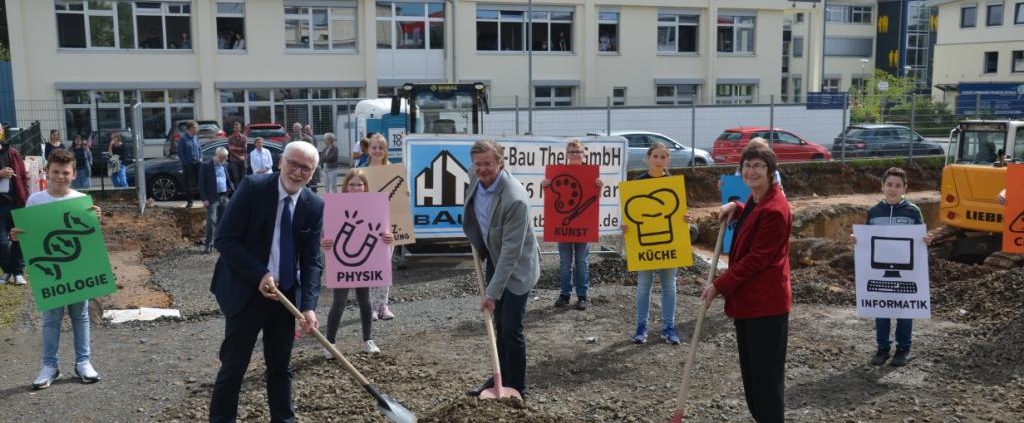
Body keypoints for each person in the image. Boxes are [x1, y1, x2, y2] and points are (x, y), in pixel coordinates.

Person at [208, 141, 324, 423]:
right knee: (234, 367)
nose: (297, 172)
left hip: (284, 296)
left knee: (280, 366)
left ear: (313, 173)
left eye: (305, 168)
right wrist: (259, 273)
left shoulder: (313, 205)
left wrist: (309, 306)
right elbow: (225, 239)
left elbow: (311, 261)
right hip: (247, 291)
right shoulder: (253, 187)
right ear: (281, 161)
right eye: (293, 164)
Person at [700, 142, 792, 423]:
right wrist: (737, 207)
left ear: (770, 170)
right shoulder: (757, 199)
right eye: (747, 166)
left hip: (766, 306)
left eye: (758, 166)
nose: (751, 172)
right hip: (750, 304)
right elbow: (753, 214)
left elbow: (756, 260)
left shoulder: (775, 209)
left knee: (765, 381)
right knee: (753, 379)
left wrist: (719, 286)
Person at [10, 149, 103, 389]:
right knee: (51, 318)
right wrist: (17, 235)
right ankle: (50, 366)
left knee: (80, 315)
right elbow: (28, 234)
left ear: (74, 174)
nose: (60, 176)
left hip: (77, 269)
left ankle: (83, 362)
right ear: (47, 172)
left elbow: (89, 237)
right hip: (51, 271)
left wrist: (96, 219)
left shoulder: (81, 200)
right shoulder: (35, 201)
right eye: (56, 172)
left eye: (65, 172)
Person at [462, 139, 540, 399]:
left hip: (518, 268)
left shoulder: (514, 199)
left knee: (511, 328)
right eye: (478, 164)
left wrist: (491, 293)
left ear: (500, 162)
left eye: (488, 164)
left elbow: (511, 254)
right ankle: (500, 375)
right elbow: (471, 196)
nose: (482, 169)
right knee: (498, 325)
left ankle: (518, 387)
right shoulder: (475, 175)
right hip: (496, 256)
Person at [853, 167, 930, 367]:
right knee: (881, 310)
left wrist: (925, 240)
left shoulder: (913, 211)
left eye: (897, 185)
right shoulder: (874, 212)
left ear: (905, 188)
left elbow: (920, 238)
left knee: (905, 311)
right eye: (889, 184)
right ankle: (883, 348)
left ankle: (903, 349)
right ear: (882, 186)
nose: (893, 189)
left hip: (906, 274)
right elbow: (868, 240)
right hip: (880, 274)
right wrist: (858, 240)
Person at [320, 169, 394, 356]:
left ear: (365, 187)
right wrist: (323, 241)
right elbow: (324, 231)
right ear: (345, 187)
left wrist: (388, 237)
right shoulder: (334, 205)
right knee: (339, 303)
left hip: (365, 262)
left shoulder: (374, 205)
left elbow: (385, 230)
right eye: (352, 184)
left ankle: (368, 340)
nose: (355, 188)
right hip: (341, 264)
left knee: (365, 301)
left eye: (359, 184)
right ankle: (330, 344)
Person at [624, 142, 683, 345]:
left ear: (668, 160)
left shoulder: (674, 185)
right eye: (655, 156)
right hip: (645, 246)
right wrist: (626, 225)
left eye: (663, 157)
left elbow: (680, 213)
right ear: (648, 158)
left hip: (669, 244)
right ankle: (641, 327)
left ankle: (669, 327)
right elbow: (629, 215)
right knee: (644, 285)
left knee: (669, 285)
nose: (659, 160)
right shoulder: (637, 184)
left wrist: (686, 218)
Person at [541, 139, 602, 310]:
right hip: (563, 227)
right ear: (566, 154)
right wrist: (545, 186)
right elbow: (551, 198)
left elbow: (594, 199)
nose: (575, 154)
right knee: (565, 262)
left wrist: (599, 188)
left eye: (578, 151)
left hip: (583, 227)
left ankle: (582, 296)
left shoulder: (592, 175)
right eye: (572, 151)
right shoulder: (557, 173)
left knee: (582, 261)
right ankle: (564, 294)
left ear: (584, 154)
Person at [359, 133, 397, 320]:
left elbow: (401, 199)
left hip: (389, 226)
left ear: (385, 150)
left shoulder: (394, 172)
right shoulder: (361, 172)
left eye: (381, 147)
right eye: (374, 147)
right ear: (368, 149)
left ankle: (383, 305)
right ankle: (370, 307)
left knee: (385, 266)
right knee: (369, 266)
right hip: (366, 226)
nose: (377, 150)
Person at [0, 137, 29, 286]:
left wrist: (25, 197)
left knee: (18, 239)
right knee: (2, 243)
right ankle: (7, 270)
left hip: (16, 202)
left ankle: (18, 272)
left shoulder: (13, 152)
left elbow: (23, 176)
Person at [199, 147, 233, 254]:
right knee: (211, 220)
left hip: (224, 196)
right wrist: (204, 198)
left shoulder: (225, 164)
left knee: (224, 221)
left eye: (225, 157)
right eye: (221, 157)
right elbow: (201, 184)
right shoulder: (206, 165)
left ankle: (221, 243)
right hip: (212, 198)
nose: (223, 159)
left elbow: (228, 179)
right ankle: (209, 244)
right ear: (216, 155)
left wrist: (231, 191)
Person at [179, 121, 202, 208]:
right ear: (191, 128)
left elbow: (199, 148)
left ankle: (204, 200)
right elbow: (181, 152)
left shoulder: (196, 137)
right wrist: (186, 163)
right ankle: (190, 202)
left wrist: (200, 158)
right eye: (196, 127)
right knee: (188, 184)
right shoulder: (183, 138)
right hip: (188, 164)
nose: (197, 129)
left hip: (197, 163)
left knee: (200, 182)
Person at [226, 121, 248, 187]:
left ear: (240, 128)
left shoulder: (244, 137)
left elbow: (245, 149)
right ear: (233, 129)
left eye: (238, 128)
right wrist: (239, 156)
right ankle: (237, 192)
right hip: (234, 160)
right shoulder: (230, 138)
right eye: (235, 128)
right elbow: (230, 150)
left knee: (243, 177)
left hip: (243, 159)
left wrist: (235, 148)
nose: (237, 129)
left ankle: (244, 190)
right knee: (236, 178)